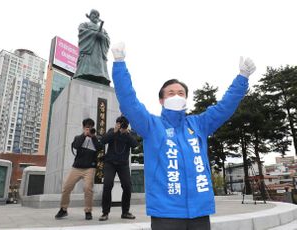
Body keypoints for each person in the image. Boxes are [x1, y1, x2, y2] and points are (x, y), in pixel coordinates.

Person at [110, 43, 256, 230]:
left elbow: (224, 107)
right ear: (161, 100)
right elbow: (129, 101)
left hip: (200, 212)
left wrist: (242, 78)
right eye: (171, 93)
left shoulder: (199, 124)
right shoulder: (151, 125)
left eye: (181, 93)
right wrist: (120, 64)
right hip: (167, 213)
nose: (176, 95)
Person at [55, 118, 102, 220]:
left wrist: (93, 137)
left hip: (90, 168)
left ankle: (88, 211)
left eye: (91, 127)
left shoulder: (96, 138)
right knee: (67, 187)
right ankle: (63, 209)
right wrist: (84, 135)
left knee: (87, 188)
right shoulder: (78, 137)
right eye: (87, 127)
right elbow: (76, 146)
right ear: (83, 127)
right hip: (76, 168)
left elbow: (99, 148)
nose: (89, 129)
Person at [99, 116, 139, 221]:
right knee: (107, 185)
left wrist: (126, 133)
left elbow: (135, 144)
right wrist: (115, 132)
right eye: (119, 124)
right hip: (110, 163)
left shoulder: (130, 134)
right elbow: (103, 141)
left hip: (123, 165)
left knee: (127, 186)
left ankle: (125, 212)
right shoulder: (112, 131)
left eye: (123, 125)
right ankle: (105, 213)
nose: (121, 126)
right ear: (116, 124)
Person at [73, 9, 111, 86]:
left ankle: (100, 76)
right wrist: (95, 34)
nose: (96, 16)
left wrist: (102, 37)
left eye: (98, 15)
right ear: (89, 16)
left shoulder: (103, 30)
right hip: (88, 51)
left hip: (99, 54)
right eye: (94, 14)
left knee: (100, 68)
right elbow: (82, 32)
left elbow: (108, 40)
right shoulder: (84, 24)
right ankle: (84, 74)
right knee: (84, 70)